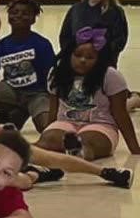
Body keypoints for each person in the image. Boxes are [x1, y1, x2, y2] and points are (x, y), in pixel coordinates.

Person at [39, 42, 138, 187]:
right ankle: (22, 149)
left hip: (101, 124)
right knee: (49, 140)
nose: (83, 60)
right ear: (69, 55)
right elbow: (53, 109)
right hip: (65, 121)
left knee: (88, 141)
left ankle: (79, 152)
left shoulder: (110, 76)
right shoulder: (57, 73)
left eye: (90, 57)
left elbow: (120, 113)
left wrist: (134, 148)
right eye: (78, 55)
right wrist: (47, 130)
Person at [0, 0, 56, 131]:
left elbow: (51, 77)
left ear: (33, 19)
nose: (19, 15)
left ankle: (19, 114)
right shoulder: (0, 46)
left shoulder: (42, 44)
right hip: (11, 90)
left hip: (37, 94)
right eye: (14, 12)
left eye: (25, 13)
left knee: (46, 126)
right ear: (8, 17)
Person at [59, 0, 127, 67]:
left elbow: (120, 40)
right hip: (77, 62)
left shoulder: (116, 12)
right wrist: (75, 47)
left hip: (104, 63)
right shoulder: (76, 9)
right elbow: (65, 36)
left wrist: (103, 47)